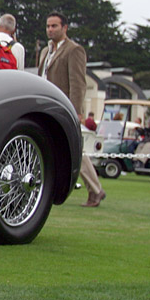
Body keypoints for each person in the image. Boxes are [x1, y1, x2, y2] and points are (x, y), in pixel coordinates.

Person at [38, 11, 105, 207]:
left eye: (54, 26)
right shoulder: (45, 51)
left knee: (74, 150)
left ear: (64, 28)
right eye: (48, 26)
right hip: (45, 105)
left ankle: (95, 190)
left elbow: (78, 83)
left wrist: (75, 110)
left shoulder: (74, 50)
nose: (50, 29)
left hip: (63, 107)